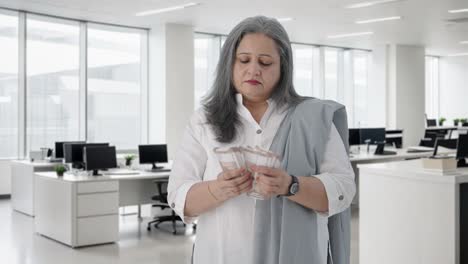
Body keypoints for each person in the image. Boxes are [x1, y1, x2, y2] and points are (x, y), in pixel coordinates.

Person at [167, 16, 355, 264]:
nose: (254, 69)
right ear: (229, 64)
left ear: (282, 68)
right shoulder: (204, 120)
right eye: (244, 60)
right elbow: (178, 196)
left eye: (265, 62)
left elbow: (343, 188)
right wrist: (218, 188)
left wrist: (290, 185)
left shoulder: (311, 118)